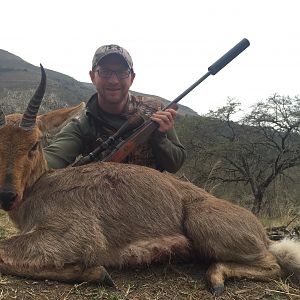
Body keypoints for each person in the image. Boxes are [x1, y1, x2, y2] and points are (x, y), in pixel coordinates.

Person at [44, 44, 186, 173]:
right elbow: (51, 159)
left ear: (132, 77)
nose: (113, 80)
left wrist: (159, 137)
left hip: (149, 198)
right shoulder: (82, 123)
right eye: (105, 72)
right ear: (92, 77)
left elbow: (175, 164)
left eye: (122, 72)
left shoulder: (155, 110)